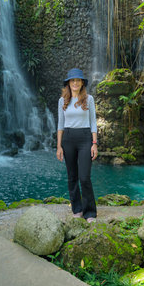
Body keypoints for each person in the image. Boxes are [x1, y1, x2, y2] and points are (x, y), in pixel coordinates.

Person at [56, 68, 98, 223]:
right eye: (72, 80)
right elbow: (60, 125)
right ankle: (77, 209)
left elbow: (93, 122)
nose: (75, 83)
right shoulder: (62, 101)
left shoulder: (89, 99)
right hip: (68, 139)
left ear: (82, 83)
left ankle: (90, 213)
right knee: (72, 176)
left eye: (78, 80)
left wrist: (94, 144)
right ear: (68, 83)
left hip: (85, 138)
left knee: (84, 177)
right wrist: (59, 146)